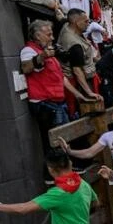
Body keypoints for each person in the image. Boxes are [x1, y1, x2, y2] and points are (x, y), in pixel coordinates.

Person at [21, 20, 83, 157]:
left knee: (64, 141)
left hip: (57, 103)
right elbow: (26, 67)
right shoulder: (29, 50)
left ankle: (66, 170)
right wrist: (41, 57)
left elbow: (61, 78)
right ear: (37, 36)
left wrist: (79, 95)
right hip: (47, 104)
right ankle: (58, 174)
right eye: (49, 35)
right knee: (58, 144)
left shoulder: (50, 53)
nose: (52, 38)